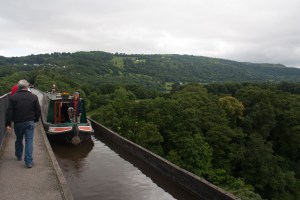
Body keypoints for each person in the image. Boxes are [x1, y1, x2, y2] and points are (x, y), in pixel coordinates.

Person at [5, 79, 41, 168]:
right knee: (29, 141)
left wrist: (8, 124)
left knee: (19, 139)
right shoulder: (34, 97)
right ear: (27, 87)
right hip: (30, 122)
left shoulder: (13, 97)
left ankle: (18, 155)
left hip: (18, 123)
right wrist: (35, 119)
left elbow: (9, 112)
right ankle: (28, 162)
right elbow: (38, 110)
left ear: (18, 87)